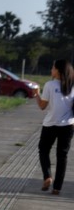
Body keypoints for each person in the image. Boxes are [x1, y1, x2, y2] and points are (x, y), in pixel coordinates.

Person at [36, 59, 74, 195]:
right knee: (62, 156)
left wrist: (37, 94)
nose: (51, 70)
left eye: (53, 68)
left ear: (58, 70)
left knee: (43, 150)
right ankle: (57, 187)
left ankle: (47, 176)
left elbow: (42, 106)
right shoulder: (72, 86)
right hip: (68, 125)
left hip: (50, 124)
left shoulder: (50, 85)